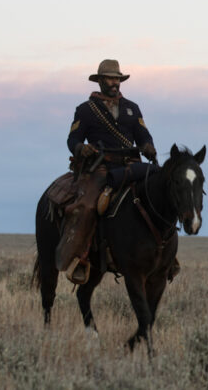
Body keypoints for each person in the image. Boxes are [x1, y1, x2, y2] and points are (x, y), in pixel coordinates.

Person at [56, 59, 158, 284]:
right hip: (100, 167)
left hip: (130, 165)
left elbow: (143, 135)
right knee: (88, 206)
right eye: (110, 78)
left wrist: (148, 145)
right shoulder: (85, 110)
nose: (115, 83)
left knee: (159, 192)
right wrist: (81, 148)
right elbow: (72, 139)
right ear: (100, 80)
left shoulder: (132, 108)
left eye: (117, 79)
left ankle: (165, 256)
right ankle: (80, 257)